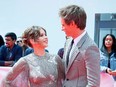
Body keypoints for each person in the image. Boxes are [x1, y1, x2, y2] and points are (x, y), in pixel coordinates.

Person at [59, 5, 100, 87]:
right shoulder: (68, 42)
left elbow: (93, 84)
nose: (61, 28)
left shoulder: (90, 47)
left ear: (72, 23)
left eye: (63, 25)